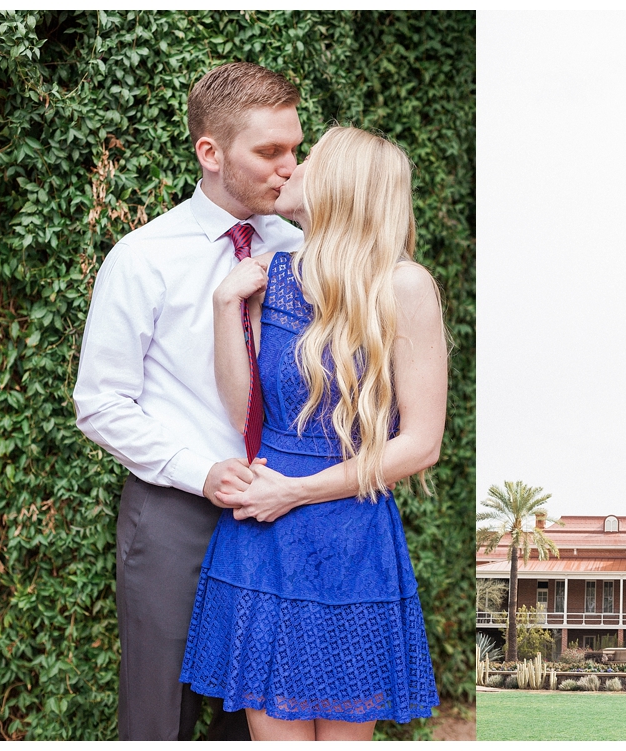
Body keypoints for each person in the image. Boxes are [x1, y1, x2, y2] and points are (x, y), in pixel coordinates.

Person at [179, 126, 447, 741]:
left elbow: (420, 443)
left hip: (350, 540)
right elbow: (246, 410)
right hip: (264, 537)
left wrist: (295, 493)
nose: (290, 168)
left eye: (309, 160)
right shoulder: (268, 277)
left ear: (342, 185)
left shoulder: (404, 287)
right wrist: (226, 309)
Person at [73, 62, 307, 740]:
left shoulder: (302, 251)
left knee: (263, 716)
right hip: (176, 513)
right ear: (210, 152)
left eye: (294, 148)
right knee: (158, 717)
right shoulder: (143, 258)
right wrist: (198, 469)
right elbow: (100, 402)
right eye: (269, 151)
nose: (289, 168)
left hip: (281, 511)